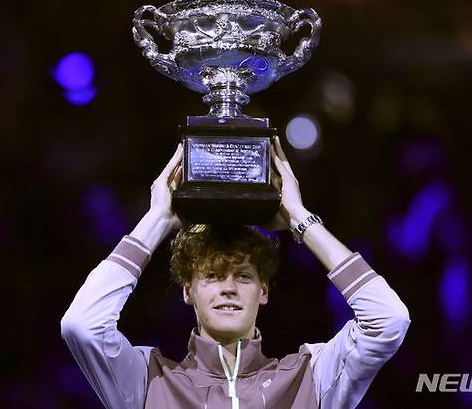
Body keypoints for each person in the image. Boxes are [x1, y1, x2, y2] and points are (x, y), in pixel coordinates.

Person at [61, 137, 410, 409]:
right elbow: (82, 325)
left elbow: (389, 320)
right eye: (212, 276)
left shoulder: (310, 376)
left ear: (264, 291)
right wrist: (158, 220)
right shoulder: (149, 380)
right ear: (187, 291)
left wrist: (299, 218)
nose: (228, 288)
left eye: (243, 276)